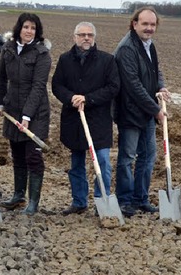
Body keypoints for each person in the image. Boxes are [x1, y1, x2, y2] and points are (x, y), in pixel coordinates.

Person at [51, 22, 120, 215]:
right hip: (74, 121)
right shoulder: (65, 60)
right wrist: (71, 97)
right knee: (77, 164)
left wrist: (88, 99)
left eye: (90, 35)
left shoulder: (107, 60)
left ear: (94, 38)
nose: (86, 38)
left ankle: (102, 202)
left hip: (99, 121)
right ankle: (79, 201)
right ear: (74, 37)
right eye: (82, 35)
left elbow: (113, 87)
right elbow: (57, 85)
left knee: (103, 162)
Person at [114, 6, 170, 218]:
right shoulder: (127, 48)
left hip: (145, 110)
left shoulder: (148, 45)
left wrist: (161, 86)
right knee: (127, 157)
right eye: (145, 24)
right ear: (134, 24)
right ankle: (124, 200)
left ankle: (140, 198)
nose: (149, 28)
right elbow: (133, 85)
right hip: (130, 111)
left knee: (148, 155)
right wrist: (156, 110)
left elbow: (156, 71)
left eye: (152, 24)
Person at [0, 12, 51, 215]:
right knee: (17, 155)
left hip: (36, 114)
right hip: (13, 109)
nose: (29, 31)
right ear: (19, 28)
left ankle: (33, 202)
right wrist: (1, 103)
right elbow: (1, 79)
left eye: (33, 28)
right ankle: (18, 195)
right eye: (26, 27)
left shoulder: (42, 53)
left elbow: (38, 87)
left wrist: (27, 116)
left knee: (33, 157)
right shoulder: (8, 49)